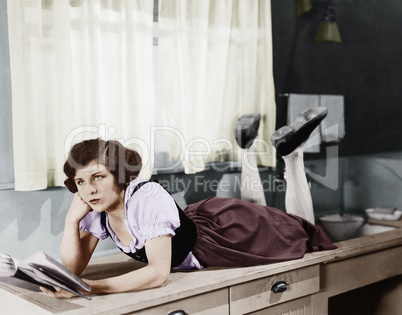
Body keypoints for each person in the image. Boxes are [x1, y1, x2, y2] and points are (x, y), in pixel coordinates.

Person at [41, 106, 335, 298]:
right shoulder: (100, 210)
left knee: (300, 233)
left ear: (119, 175)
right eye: (81, 182)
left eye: (98, 177)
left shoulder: (147, 198)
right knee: (270, 216)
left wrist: (91, 288)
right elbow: (74, 268)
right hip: (210, 231)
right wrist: (71, 221)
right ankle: (248, 149)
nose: (89, 189)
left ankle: (291, 154)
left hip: (225, 235)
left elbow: (158, 275)